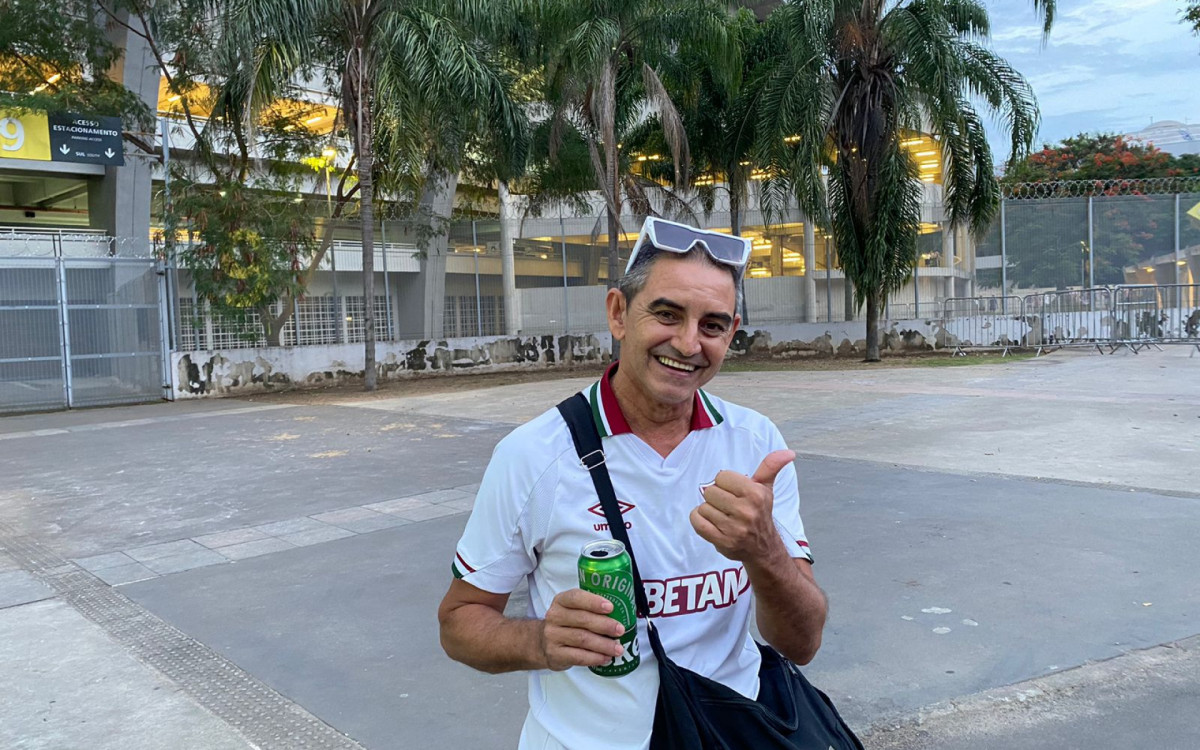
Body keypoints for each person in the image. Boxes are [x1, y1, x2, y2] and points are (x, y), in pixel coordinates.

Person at [437, 218, 828, 750]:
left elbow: (802, 643)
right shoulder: (534, 455)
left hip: (731, 732)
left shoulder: (756, 443)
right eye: (667, 314)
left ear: (731, 332)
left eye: (712, 325)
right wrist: (541, 640)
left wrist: (765, 553)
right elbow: (459, 621)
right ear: (618, 313)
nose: (688, 343)